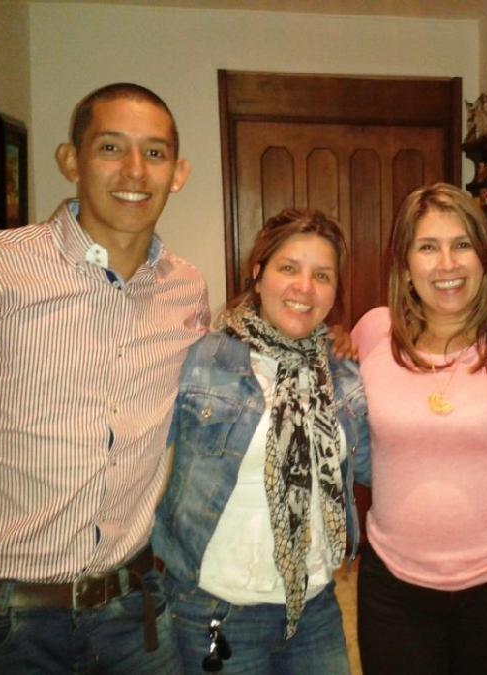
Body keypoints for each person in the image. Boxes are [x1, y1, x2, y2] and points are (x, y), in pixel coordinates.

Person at [0, 83, 208, 673]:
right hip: (3, 622)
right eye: (110, 147)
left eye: (154, 153)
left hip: (132, 609)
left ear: (178, 173)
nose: (135, 171)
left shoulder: (187, 290)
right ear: (71, 160)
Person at [152, 208, 371, 674]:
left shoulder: (343, 374)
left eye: (322, 275)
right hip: (216, 611)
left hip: (314, 606)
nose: (304, 287)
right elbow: (135, 460)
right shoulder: (200, 361)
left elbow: (382, 466)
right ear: (258, 274)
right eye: (288, 268)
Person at [352, 182, 487, 674]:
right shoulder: (373, 333)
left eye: (462, 244)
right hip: (393, 588)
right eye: (427, 247)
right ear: (404, 264)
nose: (447, 265)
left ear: (484, 257)